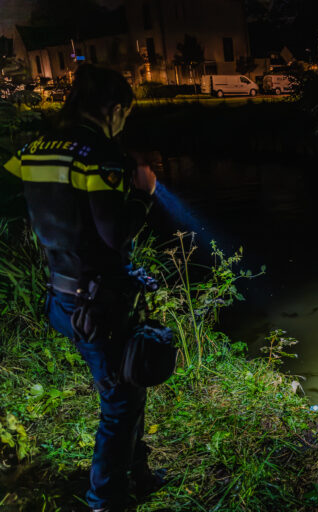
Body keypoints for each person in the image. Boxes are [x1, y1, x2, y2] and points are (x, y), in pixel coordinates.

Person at [2, 65, 158, 512]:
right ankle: (105, 500)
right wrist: (144, 193)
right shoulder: (98, 153)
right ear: (114, 110)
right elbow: (115, 234)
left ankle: (138, 474)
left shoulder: (34, 149)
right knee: (120, 402)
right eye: (124, 114)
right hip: (97, 304)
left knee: (125, 385)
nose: (123, 123)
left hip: (62, 295)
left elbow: (19, 203)